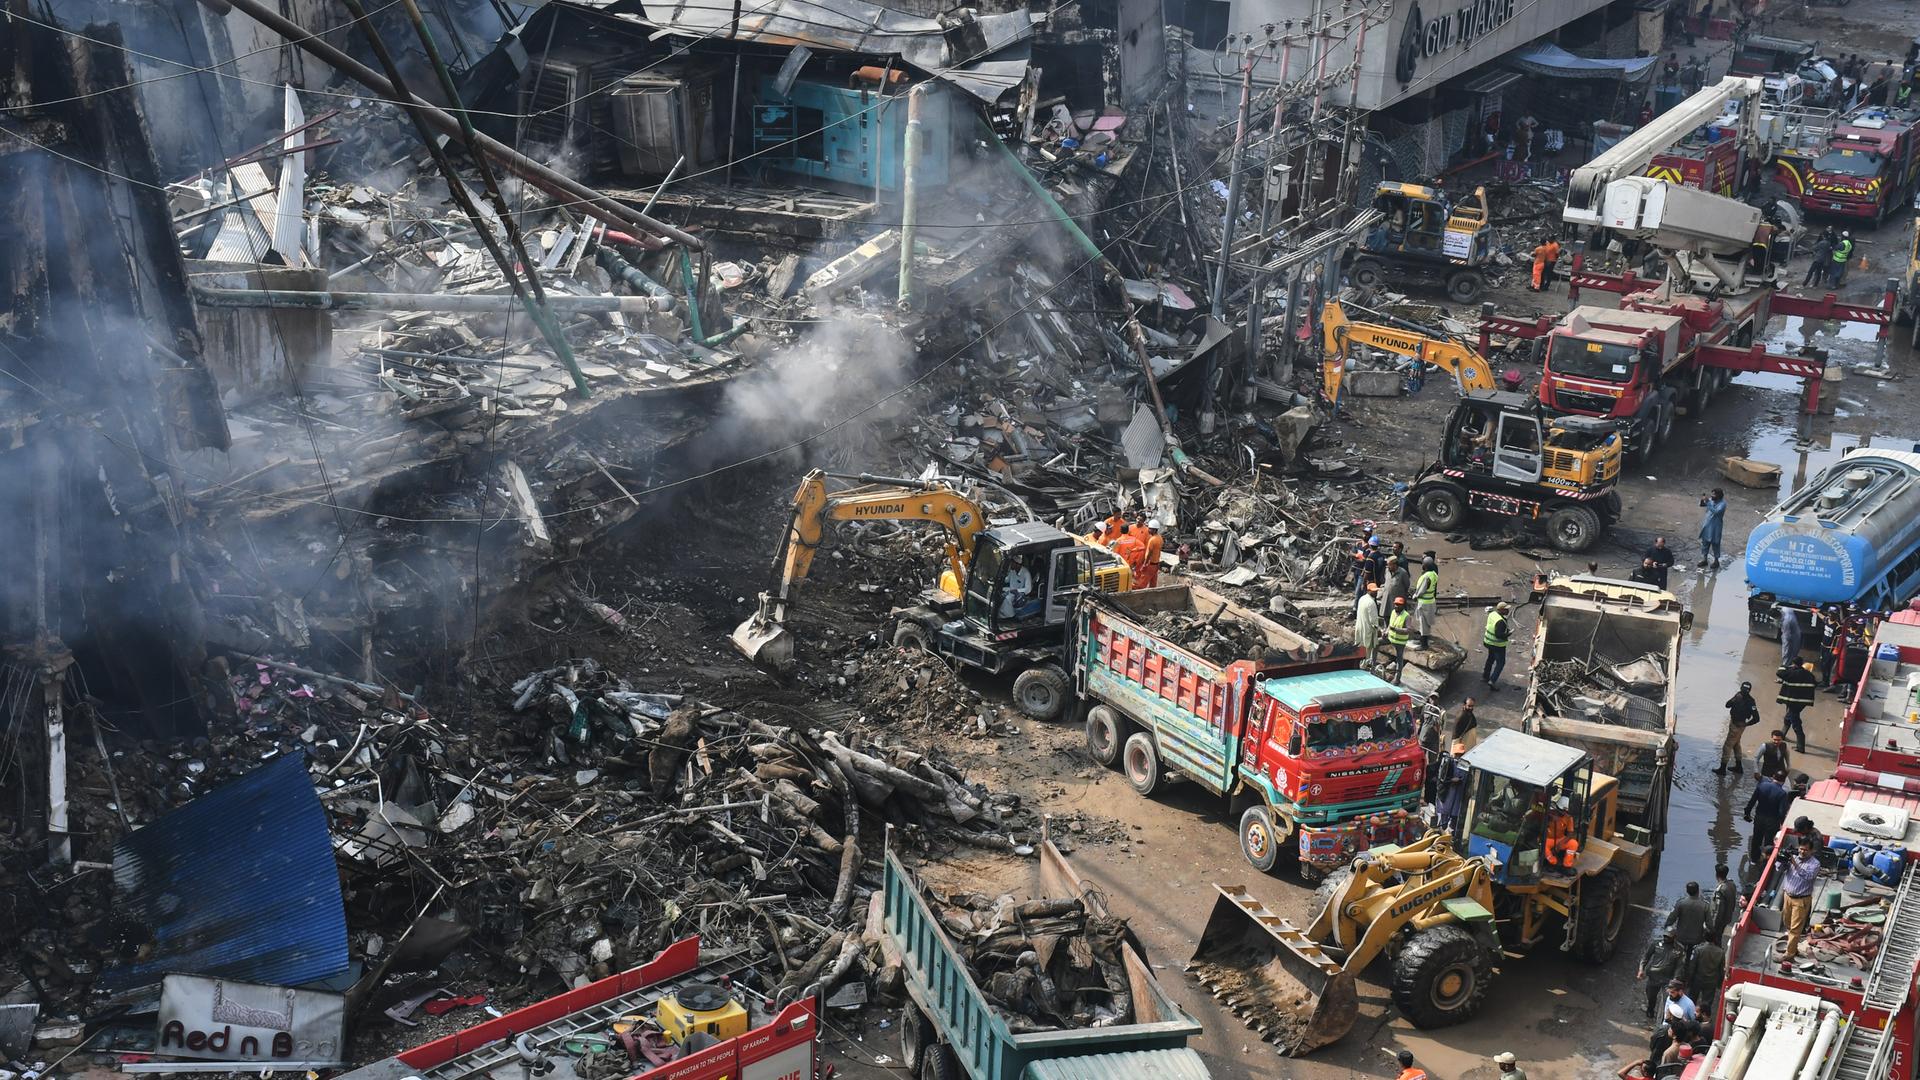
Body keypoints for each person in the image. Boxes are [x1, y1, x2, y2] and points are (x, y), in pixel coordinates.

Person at [1780, 837, 1821, 960]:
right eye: (1801, 849)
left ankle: (1789, 954)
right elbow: (1779, 869)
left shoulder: (1815, 864)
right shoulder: (1794, 857)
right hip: (1788, 896)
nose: (1802, 852)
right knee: (1787, 923)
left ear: (1811, 851)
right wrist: (1781, 860)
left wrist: (1794, 863)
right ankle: (1793, 947)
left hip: (1801, 900)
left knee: (1795, 928)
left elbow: (1808, 876)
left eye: (1806, 850)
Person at [1744, 769, 1791, 865]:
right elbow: (1782, 812)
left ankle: (1754, 860)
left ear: (1773, 776)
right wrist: (1782, 824)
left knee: (1756, 839)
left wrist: (1747, 813)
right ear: (1783, 780)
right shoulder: (1782, 793)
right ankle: (1766, 863)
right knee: (1769, 842)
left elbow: (1752, 801)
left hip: (1759, 818)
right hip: (1772, 821)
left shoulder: (1761, 786)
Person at [1638, 929, 1688, 1018]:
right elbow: (1646, 957)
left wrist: (1675, 979)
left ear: (1674, 937)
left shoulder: (1679, 949)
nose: (1666, 938)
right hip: (1654, 977)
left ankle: (1662, 1019)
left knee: (1666, 1001)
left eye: (1668, 937)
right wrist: (1641, 969)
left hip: (1668, 980)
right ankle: (1650, 1009)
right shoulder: (1656, 944)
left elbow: (1679, 966)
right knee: (1651, 996)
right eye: (1665, 936)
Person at [1715, 681, 1761, 773]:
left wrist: (1746, 724)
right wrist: (1746, 724)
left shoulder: (1744, 698)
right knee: (1736, 745)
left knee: (1727, 746)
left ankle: (1722, 769)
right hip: (1738, 724)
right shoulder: (1747, 699)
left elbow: (1757, 718)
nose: (1744, 691)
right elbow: (1728, 705)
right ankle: (1739, 767)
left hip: (1737, 726)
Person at [1777, 660, 1817, 753]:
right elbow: (1814, 685)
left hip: (1793, 702)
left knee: (1795, 722)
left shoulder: (1792, 673)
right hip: (1802, 703)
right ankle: (1782, 735)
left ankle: (1800, 747)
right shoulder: (1810, 676)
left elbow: (1779, 672)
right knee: (1788, 717)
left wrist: (1787, 666)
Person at [1686, 935, 1727, 1017]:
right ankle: (1703, 1018)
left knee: (1691, 999)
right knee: (1707, 1003)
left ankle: (1689, 1016)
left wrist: (1689, 980)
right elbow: (1721, 970)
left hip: (1697, 980)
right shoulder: (1721, 952)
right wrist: (1720, 983)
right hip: (1711, 981)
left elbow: (1692, 966)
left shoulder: (1699, 949)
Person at [1666, 880, 1712, 950]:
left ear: (1687, 891)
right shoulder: (1705, 906)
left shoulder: (1680, 903)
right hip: (1697, 939)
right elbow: (1709, 924)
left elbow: (1671, 919)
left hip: (1681, 938)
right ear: (1698, 891)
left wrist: (1668, 929)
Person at [1436, 741, 1469, 831]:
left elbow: (1465, 778)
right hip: (1447, 791)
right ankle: (1442, 828)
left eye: (1460, 754)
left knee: (1454, 813)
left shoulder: (1465, 765)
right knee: (1444, 812)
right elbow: (1442, 777)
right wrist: (1451, 780)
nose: (1458, 756)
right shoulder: (1448, 762)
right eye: (1457, 754)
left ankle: (1451, 831)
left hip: (1458, 792)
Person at [1412, 554, 1439, 648]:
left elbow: (1421, 591)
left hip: (1424, 603)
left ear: (1425, 566)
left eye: (1423, 564)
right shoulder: (1434, 574)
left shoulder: (1426, 577)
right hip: (1431, 601)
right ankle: (1424, 640)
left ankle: (1424, 645)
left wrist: (1415, 596)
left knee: (1423, 624)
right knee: (1427, 623)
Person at [1483, 601, 1512, 688]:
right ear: (1502, 610)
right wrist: (1508, 634)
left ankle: (1485, 676)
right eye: (1506, 609)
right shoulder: (1501, 622)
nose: (1508, 610)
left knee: (1490, 659)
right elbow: (1499, 635)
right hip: (1497, 645)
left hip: (1488, 642)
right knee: (1501, 663)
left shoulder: (1492, 614)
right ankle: (1492, 681)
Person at [1386, 597, 1413, 682]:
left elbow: (1408, 630)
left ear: (1403, 606)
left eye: (1399, 605)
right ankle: (1372, 666)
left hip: (1400, 642)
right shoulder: (1393, 612)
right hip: (1391, 638)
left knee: (1399, 659)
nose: (1396, 606)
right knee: (1376, 643)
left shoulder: (1406, 616)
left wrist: (1396, 630)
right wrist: (1386, 632)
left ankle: (1397, 679)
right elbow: (1390, 625)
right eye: (1395, 604)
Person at [1709, 862, 1740, 937]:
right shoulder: (1731, 884)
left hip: (1720, 921)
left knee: (1716, 937)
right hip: (1728, 916)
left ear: (1717, 876)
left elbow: (1718, 911)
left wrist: (1713, 926)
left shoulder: (1720, 891)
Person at [1355, 582, 1383, 664]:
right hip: (1368, 631)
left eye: (1376, 591)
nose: (1375, 592)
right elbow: (1373, 621)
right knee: (1367, 653)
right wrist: (1379, 630)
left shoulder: (1362, 598)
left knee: (1359, 650)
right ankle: (1365, 667)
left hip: (1360, 628)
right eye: (1373, 591)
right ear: (1368, 591)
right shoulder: (1371, 603)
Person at [1698, 489, 1727, 568]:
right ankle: (1704, 560)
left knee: (1715, 543)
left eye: (1713, 495)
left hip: (1716, 527)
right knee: (1705, 543)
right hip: (1707, 525)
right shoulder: (1711, 500)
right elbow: (1702, 505)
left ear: (1718, 496)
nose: (1711, 496)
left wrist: (1708, 502)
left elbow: (1716, 511)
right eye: (1712, 494)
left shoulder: (1722, 504)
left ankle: (1716, 561)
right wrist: (1703, 500)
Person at [1138, 519, 1164, 588]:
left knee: (1141, 584)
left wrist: (1144, 565)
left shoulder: (1152, 540)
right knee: (1153, 584)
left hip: (1150, 565)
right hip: (1156, 564)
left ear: (1154, 530)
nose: (1148, 530)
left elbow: (1149, 554)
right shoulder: (1160, 538)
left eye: (1150, 529)